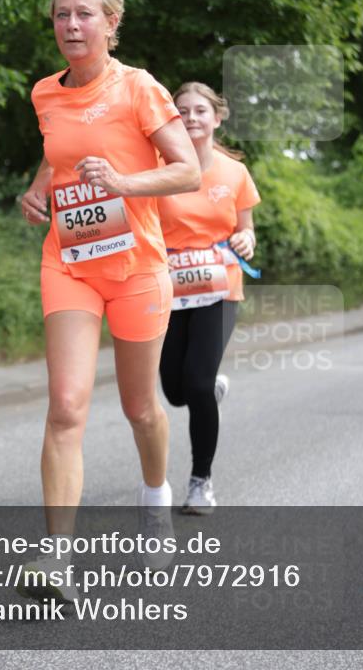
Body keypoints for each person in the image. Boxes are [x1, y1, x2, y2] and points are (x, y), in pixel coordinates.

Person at [19, 0, 200, 597]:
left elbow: (186, 171)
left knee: (138, 406)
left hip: (137, 267)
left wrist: (124, 183)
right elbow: (57, 151)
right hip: (68, 261)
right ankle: (58, 560)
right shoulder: (45, 91)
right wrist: (39, 189)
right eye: (62, 14)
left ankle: (155, 494)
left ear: (111, 23)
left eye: (84, 14)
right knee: (66, 406)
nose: (71, 24)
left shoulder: (139, 89)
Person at [157, 82, 260, 514]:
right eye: (183, 111)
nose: (192, 117)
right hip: (168, 286)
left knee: (195, 385)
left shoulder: (234, 173)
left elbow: (246, 228)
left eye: (201, 110)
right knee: (173, 390)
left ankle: (201, 481)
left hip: (220, 287)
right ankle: (209, 386)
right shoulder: (158, 168)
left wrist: (246, 241)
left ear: (217, 118)